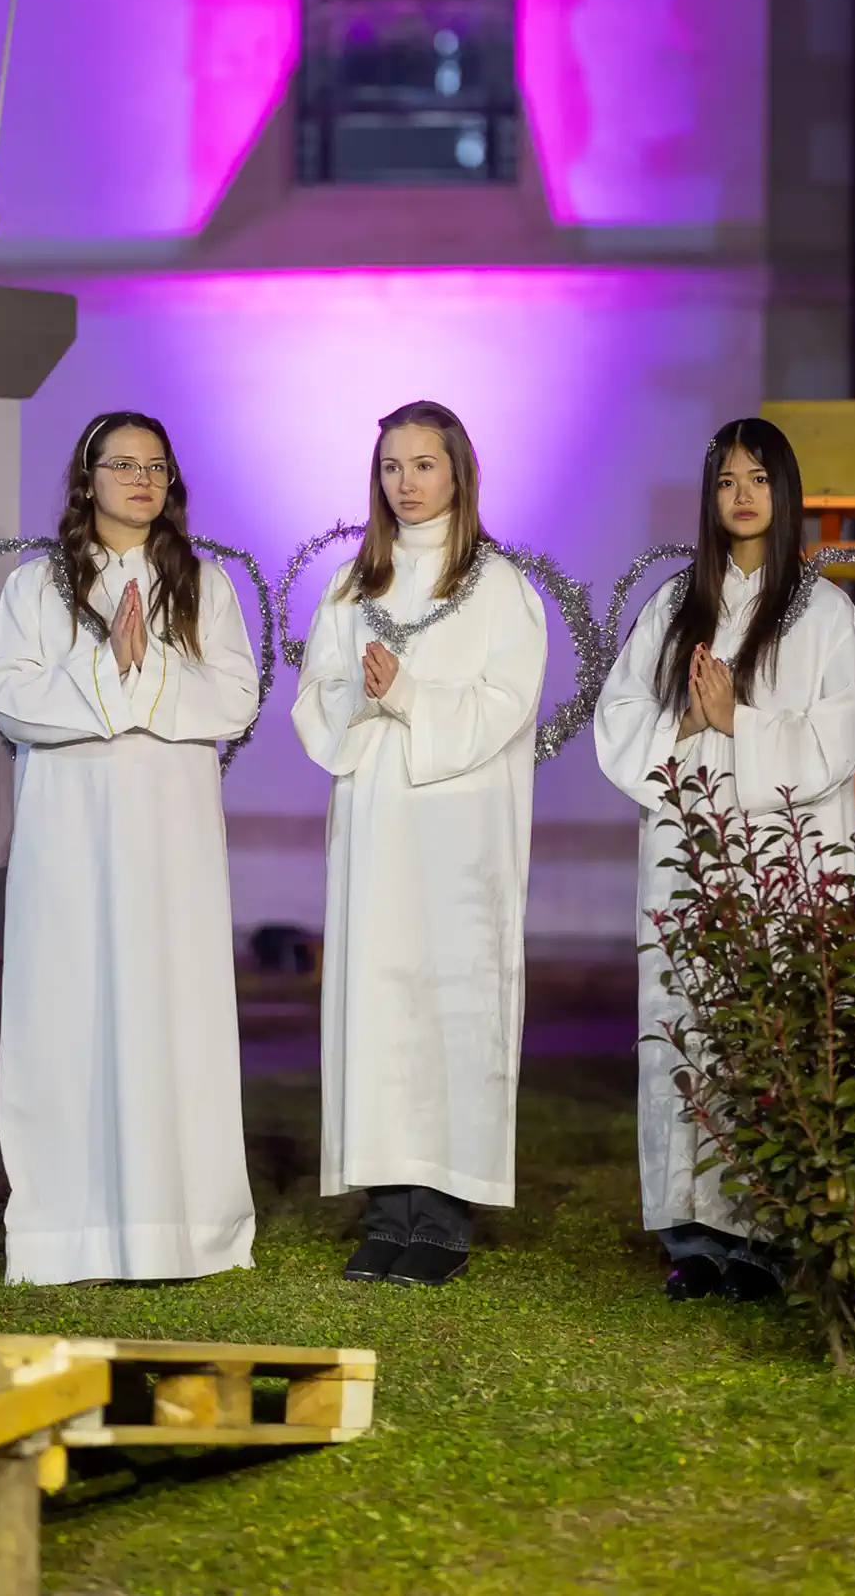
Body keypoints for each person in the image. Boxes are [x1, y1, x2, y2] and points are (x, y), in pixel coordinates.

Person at [0, 411, 258, 1285]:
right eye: (123, 464)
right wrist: (109, 666)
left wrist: (155, 671)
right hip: (72, 832)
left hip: (171, 834)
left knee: (176, 1008)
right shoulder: (37, 587)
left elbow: (238, 696)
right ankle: (69, 1231)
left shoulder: (203, 584)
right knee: (71, 1008)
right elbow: (10, 699)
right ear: (88, 477)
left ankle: (185, 1229)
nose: (142, 479)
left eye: (157, 466)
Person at [594, 417, 855, 1305]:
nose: (742, 496)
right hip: (688, 853)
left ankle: (767, 1233)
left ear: (785, 495)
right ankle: (692, 1234)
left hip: (779, 856)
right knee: (684, 1018)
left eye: (758, 479)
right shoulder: (677, 608)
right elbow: (619, 717)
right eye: (726, 482)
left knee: (765, 1024)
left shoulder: (824, 613)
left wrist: (735, 723)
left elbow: (839, 738)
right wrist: (684, 719)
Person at [293, 401, 547, 1287]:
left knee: (447, 1002)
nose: (406, 482)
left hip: (455, 829)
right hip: (376, 825)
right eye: (392, 466)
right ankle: (386, 1208)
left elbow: (505, 705)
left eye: (424, 464)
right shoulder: (353, 585)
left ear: (459, 473)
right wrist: (364, 698)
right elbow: (318, 692)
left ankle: (441, 1215)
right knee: (378, 1006)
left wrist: (408, 698)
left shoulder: (498, 585)